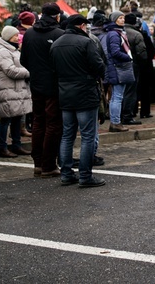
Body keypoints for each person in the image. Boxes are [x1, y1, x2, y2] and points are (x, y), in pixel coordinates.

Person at [50, 15, 107, 188]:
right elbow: (99, 66)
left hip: (65, 92)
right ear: (82, 26)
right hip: (85, 92)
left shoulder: (56, 44)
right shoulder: (85, 42)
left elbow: (53, 69)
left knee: (67, 135)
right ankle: (85, 175)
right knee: (88, 136)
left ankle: (66, 173)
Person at [20, 2, 64, 177]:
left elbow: (23, 60)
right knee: (53, 124)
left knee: (38, 121)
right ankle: (48, 164)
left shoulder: (29, 33)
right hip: (53, 85)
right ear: (57, 16)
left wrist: (36, 71)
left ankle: (38, 162)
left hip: (36, 83)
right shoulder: (59, 34)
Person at [0, 25, 32, 158]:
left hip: (17, 89)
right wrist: (29, 72)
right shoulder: (3, 51)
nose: (18, 37)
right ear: (8, 36)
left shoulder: (13, 49)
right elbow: (10, 70)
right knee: (6, 119)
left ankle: (17, 145)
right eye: (15, 35)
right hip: (8, 89)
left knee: (16, 118)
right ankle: (2, 147)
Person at [101, 11, 134, 133]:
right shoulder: (115, 34)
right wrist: (129, 57)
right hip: (118, 68)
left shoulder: (115, 32)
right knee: (117, 97)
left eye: (123, 17)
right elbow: (115, 52)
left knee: (116, 96)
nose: (123, 20)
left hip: (117, 68)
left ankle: (115, 121)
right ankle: (115, 122)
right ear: (114, 20)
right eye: (120, 18)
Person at [120, 13, 146, 126]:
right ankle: (127, 115)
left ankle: (120, 115)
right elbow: (142, 53)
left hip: (120, 64)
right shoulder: (136, 34)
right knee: (130, 91)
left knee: (120, 91)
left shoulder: (119, 32)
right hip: (133, 64)